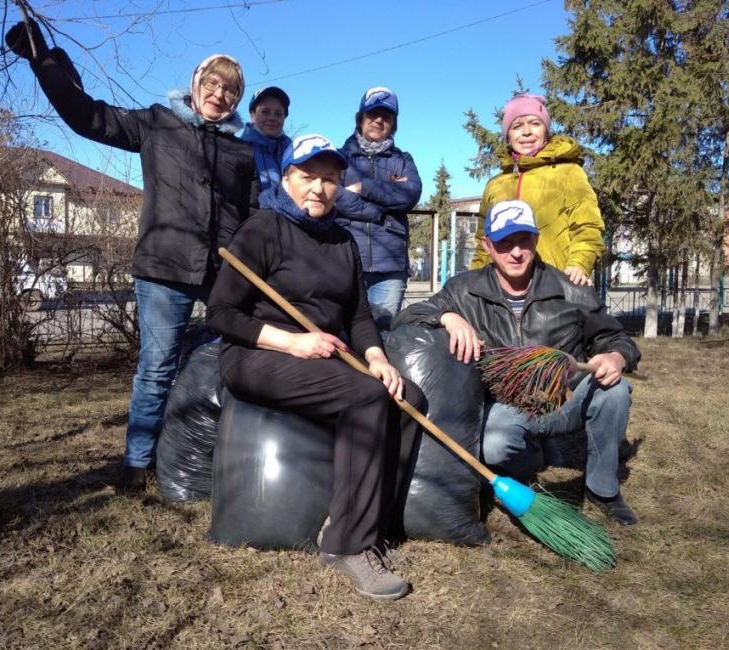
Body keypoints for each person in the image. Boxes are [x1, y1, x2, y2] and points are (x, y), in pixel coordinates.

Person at [4, 20, 258, 491]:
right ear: (196, 85)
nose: (219, 94)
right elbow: (87, 115)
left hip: (220, 270)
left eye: (230, 90)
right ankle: (138, 462)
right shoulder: (156, 124)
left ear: (236, 101)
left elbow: (252, 216)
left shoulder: (241, 153)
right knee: (157, 366)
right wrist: (45, 59)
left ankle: (204, 446)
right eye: (212, 83)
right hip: (163, 266)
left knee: (232, 352)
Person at [207, 134, 424, 601]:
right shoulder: (263, 229)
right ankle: (347, 544)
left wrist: (377, 358)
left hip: (320, 354)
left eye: (330, 179)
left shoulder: (342, 239)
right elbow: (221, 314)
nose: (319, 188)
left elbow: (359, 316)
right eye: (308, 176)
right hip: (256, 354)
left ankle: (372, 521)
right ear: (287, 178)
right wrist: (292, 342)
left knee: (407, 398)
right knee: (367, 396)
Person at [394, 200, 640, 525]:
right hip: (506, 407)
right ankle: (526, 465)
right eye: (504, 243)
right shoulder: (464, 290)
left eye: (523, 241)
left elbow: (618, 338)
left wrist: (615, 356)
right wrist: (448, 315)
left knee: (615, 392)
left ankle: (603, 489)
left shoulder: (569, 290)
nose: (515, 253)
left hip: (564, 400)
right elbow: (407, 316)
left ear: (536, 240)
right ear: (487, 245)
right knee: (496, 443)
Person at [468, 93, 605, 287]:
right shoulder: (495, 185)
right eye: (517, 126)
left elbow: (588, 226)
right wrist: (476, 279)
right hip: (502, 290)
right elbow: (483, 243)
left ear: (546, 130)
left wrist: (579, 264)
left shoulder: (568, 173)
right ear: (508, 135)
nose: (526, 132)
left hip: (554, 285)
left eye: (534, 123)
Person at [335, 87, 422, 328]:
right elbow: (334, 196)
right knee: (344, 333)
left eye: (386, 116)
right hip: (348, 262)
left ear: (393, 123)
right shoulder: (339, 159)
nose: (378, 120)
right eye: (372, 114)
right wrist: (381, 209)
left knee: (383, 335)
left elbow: (409, 195)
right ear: (360, 119)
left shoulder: (403, 160)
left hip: (390, 267)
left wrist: (362, 186)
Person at [239, 86, 292, 203]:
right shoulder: (239, 151)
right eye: (265, 112)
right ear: (252, 115)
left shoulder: (294, 153)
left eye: (278, 114)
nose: (272, 118)